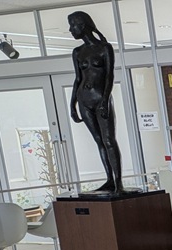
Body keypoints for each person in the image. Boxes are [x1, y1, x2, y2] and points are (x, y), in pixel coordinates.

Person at [69, 11, 123, 192]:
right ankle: (109, 180)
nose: (70, 30)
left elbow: (109, 76)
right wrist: (72, 104)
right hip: (84, 99)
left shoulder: (104, 48)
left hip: (100, 98)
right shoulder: (77, 52)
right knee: (99, 141)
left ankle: (118, 183)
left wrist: (105, 100)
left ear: (83, 25)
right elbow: (78, 79)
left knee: (109, 140)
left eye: (73, 25)